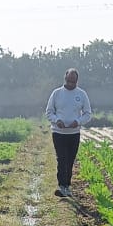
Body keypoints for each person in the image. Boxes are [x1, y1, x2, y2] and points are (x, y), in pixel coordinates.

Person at [44, 68, 92, 198]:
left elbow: (88, 114)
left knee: (70, 160)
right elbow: (49, 112)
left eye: (73, 81)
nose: (70, 84)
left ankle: (67, 185)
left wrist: (78, 121)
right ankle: (62, 186)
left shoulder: (81, 94)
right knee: (62, 159)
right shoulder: (57, 93)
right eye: (68, 81)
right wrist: (56, 120)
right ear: (65, 79)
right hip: (59, 133)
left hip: (74, 133)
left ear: (77, 81)